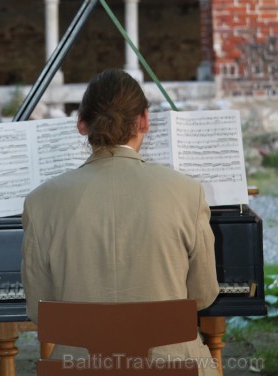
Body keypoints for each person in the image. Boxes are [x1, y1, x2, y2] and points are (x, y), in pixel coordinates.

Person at [21, 69, 219, 375]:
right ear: (144, 121)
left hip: (79, 367)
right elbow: (203, 295)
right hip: (172, 366)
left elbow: (38, 308)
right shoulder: (188, 192)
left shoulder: (40, 201)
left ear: (82, 124)